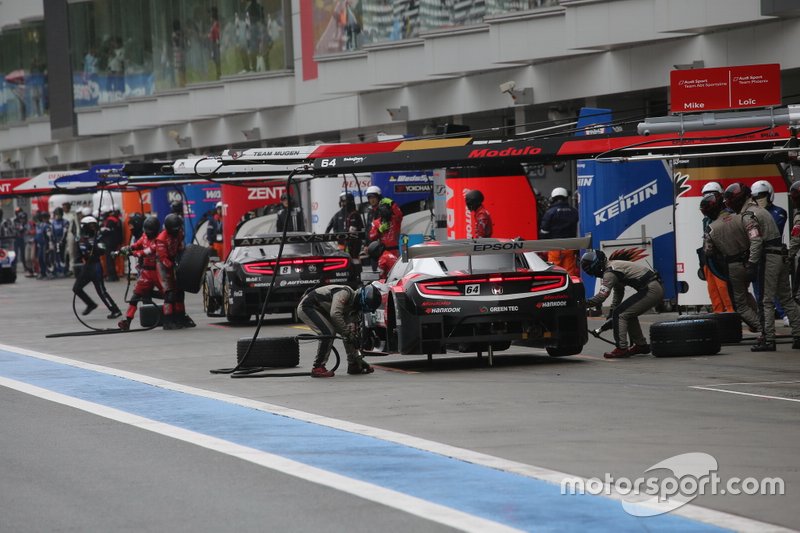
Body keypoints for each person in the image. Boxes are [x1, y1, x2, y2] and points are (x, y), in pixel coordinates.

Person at [733, 183, 800, 351]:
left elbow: (755, 240)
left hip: (769, 258)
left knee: (766, 301)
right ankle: (798, 335)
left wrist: (751, 264)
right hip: (781, 255)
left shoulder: (749, 214)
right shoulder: (761, 211)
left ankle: (768, 339)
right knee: (786, 299)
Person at [581, 249, 663, 359]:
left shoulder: (609, 272)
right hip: (653, 287)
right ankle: (641, 345)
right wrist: (612, 310)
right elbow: (619, 290)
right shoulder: (612, 267)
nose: (594, 274)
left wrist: (581, 303)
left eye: (591, 271)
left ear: (595, 266)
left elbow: (601, 297)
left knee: (620, 314)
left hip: (651, 289)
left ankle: (622, 348)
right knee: (626, 313)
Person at [702, 190, 761, 334]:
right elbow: (755, 236)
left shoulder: (711, 229)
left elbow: (708, 252)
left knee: (739, 304)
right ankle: (760, 320)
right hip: (753, 260)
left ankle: (763, 327)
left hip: (734, 266)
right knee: (747, 293)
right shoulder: (740, 217)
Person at [296, 283, 382, 377]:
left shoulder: (354, 310)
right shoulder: (345, 292)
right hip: (308, 306)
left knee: (350, 333)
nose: (362, 311)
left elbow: (350, 334)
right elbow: (335, 314)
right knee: (328, 332)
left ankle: (353, 364)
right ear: (362, 301)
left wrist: (358, 359)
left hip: (323, 310)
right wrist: (347, 333)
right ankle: (318, 367)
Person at [751, 179, 789, 326]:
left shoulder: (779, 212)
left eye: (762, 196)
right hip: (757, 255)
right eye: (756, 197)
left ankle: (784, 313)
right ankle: (763, 319)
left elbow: (771, 232)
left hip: (773, 254)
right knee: (759, 290)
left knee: (778, 289)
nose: (759, 200)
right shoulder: (752, 213)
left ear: (769, 195)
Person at [117, 216, 163, 331]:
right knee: (135, 296)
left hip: (159, 271)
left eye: (149, 231)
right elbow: (137, 244)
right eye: (146, 231)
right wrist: (126, 248)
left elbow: (146, 252)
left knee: (169, 295)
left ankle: (175, 316)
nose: (147, 233)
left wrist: (132, 253)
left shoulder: (159, 240)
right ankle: (127, 321)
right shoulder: (144, 236)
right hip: (146, 272)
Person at [72, 216, 122, 318]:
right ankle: (91, 304)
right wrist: (77, 267)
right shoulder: (80, 239)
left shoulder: (98, 237)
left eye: (94, 225)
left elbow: (102, 250)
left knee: (101, 291)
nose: (93, 228)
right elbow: (78, 255)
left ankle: (115, 310)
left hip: (96, 267)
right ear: (84, 227)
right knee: (76, 288)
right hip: (86, 267)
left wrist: (94, 248)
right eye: (91, 226)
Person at [697, 182, 734, 313]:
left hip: (720, 256)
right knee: (712, 288)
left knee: (723, 286)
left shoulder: (726, 214)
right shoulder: (707, 217)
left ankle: (730, 311)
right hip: (708, 256)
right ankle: (718, 312)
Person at [156, 213, 194, 330]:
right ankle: (168, 320)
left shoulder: (179, 233)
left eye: (178, 228)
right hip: (163, 265)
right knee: (169, 293)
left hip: (174, 260)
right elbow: (163, 258)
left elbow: (181, 248)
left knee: (179, 292)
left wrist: (182, 262)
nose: (177, 231)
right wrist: (174, 266)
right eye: (175, 229)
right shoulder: (161, 239)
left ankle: (180, 317)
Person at [540, 187, 580, 275]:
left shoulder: (550, 212)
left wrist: (543, 246)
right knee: (570, 274)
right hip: (570, 247)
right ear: (566, 197)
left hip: (554, 247)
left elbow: (544, 232)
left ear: (553, 198)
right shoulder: (574, 211)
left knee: (554, 273)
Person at [325, 192, 364, 258]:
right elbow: (328, 229)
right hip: (341, 245)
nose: (343, 204)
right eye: (342, 202)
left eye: (345, 201)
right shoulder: (337, 215)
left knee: (355, 262)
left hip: (355, 246)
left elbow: (362, 228)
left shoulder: (355, 214)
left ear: (350, 201)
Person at [101, 207, 122, 281]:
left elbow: (106, 231)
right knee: (112, 259)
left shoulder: (110, 221)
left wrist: (101, 231)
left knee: (109, 259)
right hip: (115, 242)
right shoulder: (117, 220)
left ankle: (112, 276)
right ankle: (114, 275)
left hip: (110, 242)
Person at [34, 211, 53, 279]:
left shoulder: (46, 226)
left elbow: (49, 236)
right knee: (40, 259)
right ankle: (42, 272)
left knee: (46, 259)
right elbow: (37, 235)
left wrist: (50, 244)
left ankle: (48, 272)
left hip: (45, 245)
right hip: (40, 245)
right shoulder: (38, 226)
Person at [62, 202, 78, 276]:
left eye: (65, 207)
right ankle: (64, 267)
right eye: (63, 207)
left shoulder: (73, 215)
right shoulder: (62, 215)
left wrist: (78, 235)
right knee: (64, 252)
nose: (64, 208)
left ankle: (71, 269)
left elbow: (77, 226)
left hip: (70, 233)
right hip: (62, 234)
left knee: (71, 252)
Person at [51, 207, 68, 277]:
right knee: (56, 256)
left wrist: (62, 240)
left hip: (63, 241)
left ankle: (64, 270)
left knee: (62, 256)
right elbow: (52, 232)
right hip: (55, 241)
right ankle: (57, 270)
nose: (57, 216)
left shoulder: (65, 222)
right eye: (56, 214)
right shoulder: (53, 222)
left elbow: (65, 232)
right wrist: (53, 240)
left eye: (58, 214)